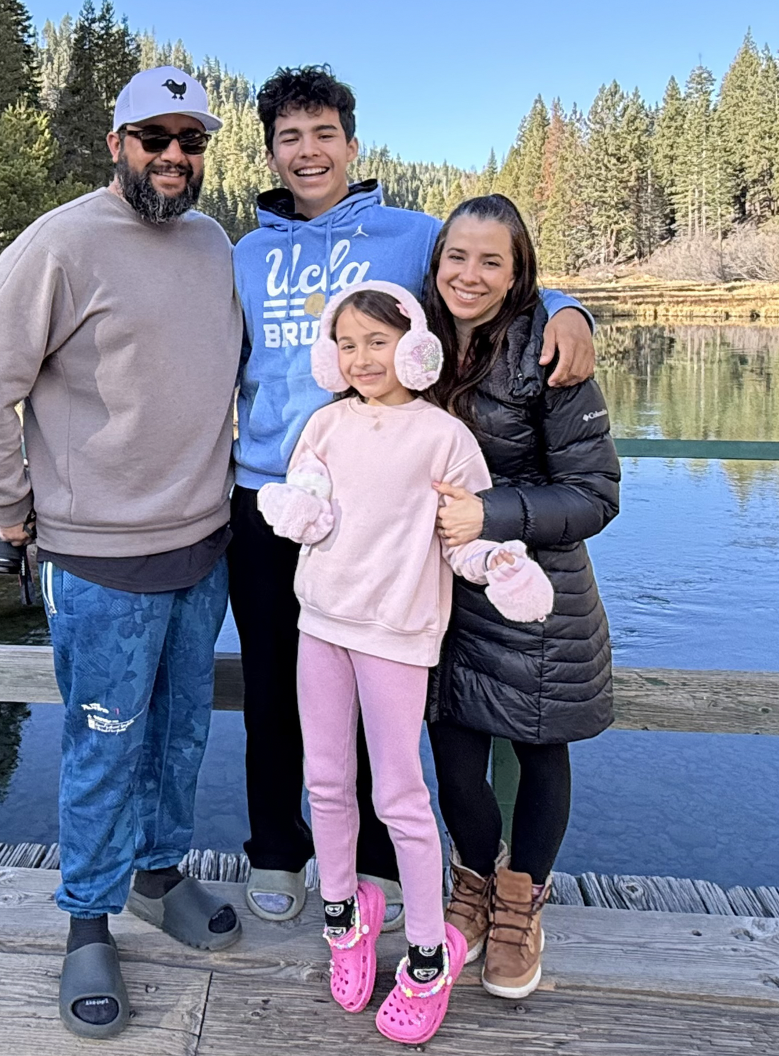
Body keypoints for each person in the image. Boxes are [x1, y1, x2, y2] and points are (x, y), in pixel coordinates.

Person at [232, 64, 595, 927]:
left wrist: (574, 309)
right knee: (279, 687)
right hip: (267, 497)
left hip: (385, 507)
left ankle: (377, 861)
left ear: (352, 145)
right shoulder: (245, 253)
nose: (308, 151)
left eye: (324, 134)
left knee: (381, 686)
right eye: (290, 137)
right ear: (275, 153)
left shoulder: (408, 236)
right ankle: (280, 851)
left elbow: (496, 270)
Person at [0, 66, 244, 1041]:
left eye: (189, 139)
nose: (172, 155)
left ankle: (159, 876)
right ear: (115, 143)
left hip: (204, 546)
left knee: (180, 735)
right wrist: (10, 510)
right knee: (104, 745)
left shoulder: (212, 244)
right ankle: (88, 919)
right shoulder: (61, 242)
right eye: (153, 137)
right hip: (97, 561)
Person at [258, 279, 554, 1045]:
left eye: (377, 342)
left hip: (397, 636)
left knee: (400, 795)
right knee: (324, 781)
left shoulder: (444, 437)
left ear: (415, 348)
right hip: (319, 625)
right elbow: (308, 502)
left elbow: (464, 537)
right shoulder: (323, 425)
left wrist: (501, 563)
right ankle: (345, 918)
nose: (362, 358)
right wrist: (296, 508)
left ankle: (427, 954)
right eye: (347, 344)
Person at [423, 195, 622, 1000]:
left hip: (532, 598)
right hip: (441, 596)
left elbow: (596, 494)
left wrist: (489, 513)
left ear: (518, 274)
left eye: (491, 261)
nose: (469, 275)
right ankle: (472, 880)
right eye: (456, 258)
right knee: (455, 757)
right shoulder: (418, 344)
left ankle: (519, 901)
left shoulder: (549, 353)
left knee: (541, 751)